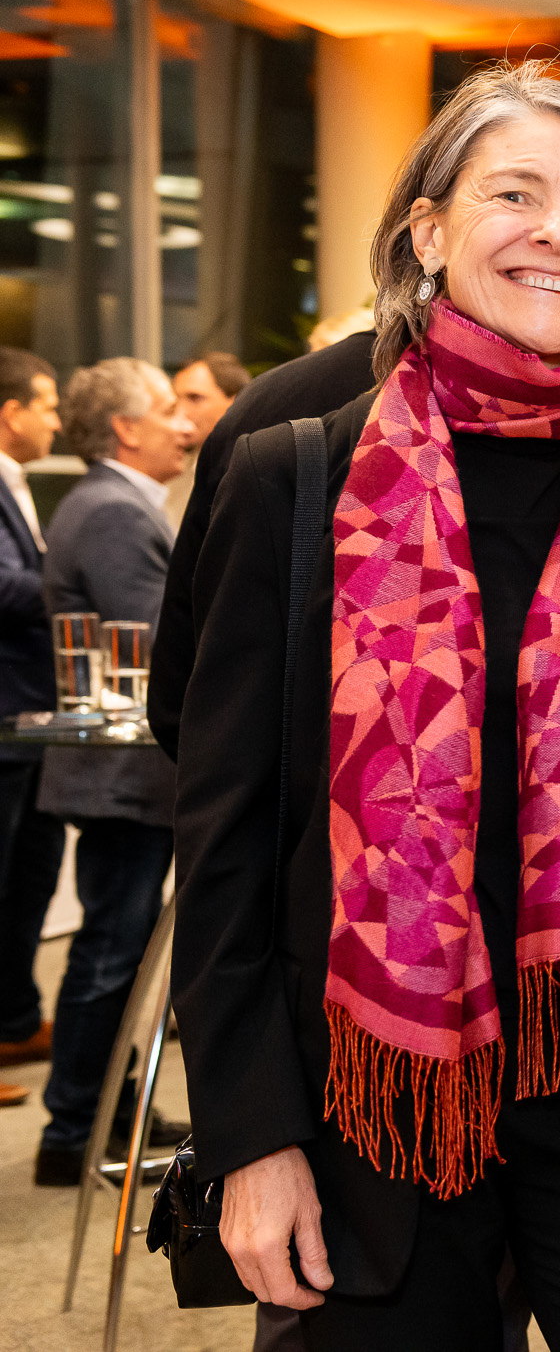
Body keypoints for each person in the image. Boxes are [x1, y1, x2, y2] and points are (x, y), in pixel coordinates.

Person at [168, 61, 560, 1349]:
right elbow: (225, 835)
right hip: (374, 1107)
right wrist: (250, 1138)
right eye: (515, 194)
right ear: (428, 232)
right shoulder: (299, 473)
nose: (559, 231)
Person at [32, 357, 195, 1184]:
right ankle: (74, 1131)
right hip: (121, 778)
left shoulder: (114, 503)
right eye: (167, 409)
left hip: (124, 776)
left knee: (116, 952)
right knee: (110, 955)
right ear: (126, 428)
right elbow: (158, 642)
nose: (184, 425)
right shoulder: (114, 512)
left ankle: (109, 1112)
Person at [150, 329, 378, 761]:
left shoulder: (265, 402)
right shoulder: (274, 424)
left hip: (260, 759)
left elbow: (179, 675)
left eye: (195, 398)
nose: (182, 416)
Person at [0, 347, 64, 1104]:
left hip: (29, 715)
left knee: (28, 879)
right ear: (11, 412)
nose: (57, 420)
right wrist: (68, 576)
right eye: (45, 405)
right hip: (6, 716)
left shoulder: (18, 483)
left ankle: (14, 1021)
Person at [163, 351, 252, 528]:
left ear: (236, 401)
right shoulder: (173, 468)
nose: (180, 411)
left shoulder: (251, 471)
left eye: (194, 398)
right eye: (175, 401)